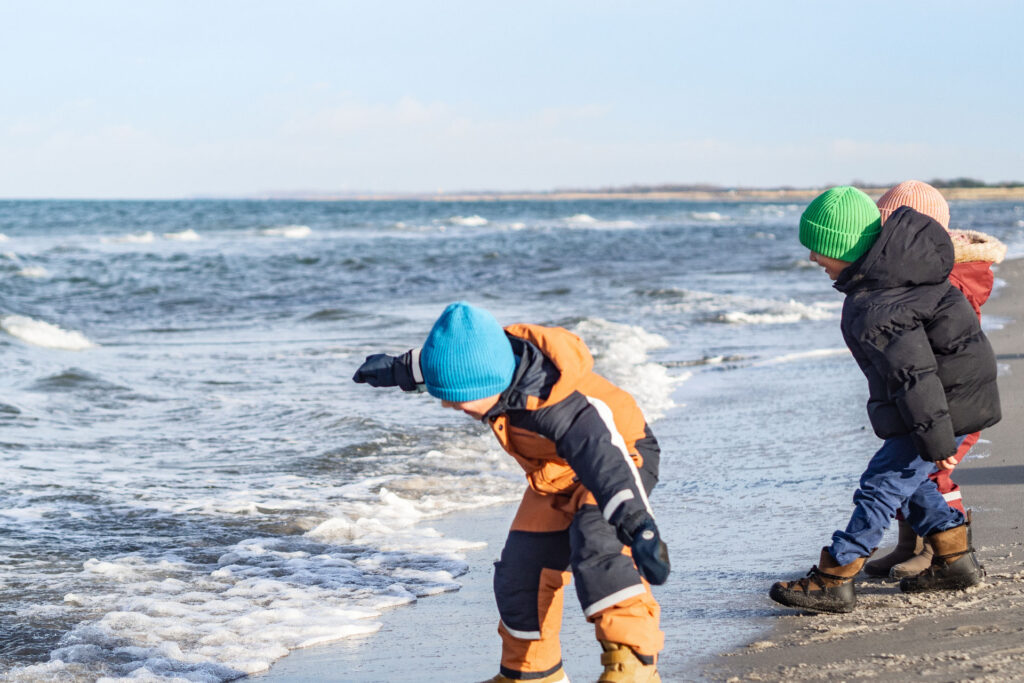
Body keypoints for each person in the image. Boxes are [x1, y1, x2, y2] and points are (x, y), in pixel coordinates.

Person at [353, 302, 670, 682]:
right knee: (521, 568)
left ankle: (632, 664)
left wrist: (638, 524)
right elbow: (440, 361)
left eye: (459, 398)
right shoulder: (484, 358)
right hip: (554, 471)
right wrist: (395, 369)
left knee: (598, 547)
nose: (449, 404)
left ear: (493, 383)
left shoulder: (557, 405)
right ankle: (532, 674)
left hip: (619, 457)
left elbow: (604, 464)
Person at [769, 186, 1001, 613]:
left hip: (944, 404)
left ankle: (837, 574)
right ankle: (954, 559)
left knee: (881, 484)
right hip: (943, 398)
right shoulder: (888, 279)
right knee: (911, 484)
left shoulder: (883, 301)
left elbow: (916, 377)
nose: (813, 258)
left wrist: (938, 441)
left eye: (820, 249)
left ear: (846, 247)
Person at [863, 180, 1007, 579]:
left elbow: (944, 353)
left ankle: (941, 550)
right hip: (925, 396)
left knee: (930, 471)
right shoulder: (926, 270)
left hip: (950, 401)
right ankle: (910, 543)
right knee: (907, 467)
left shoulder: (946, 279)